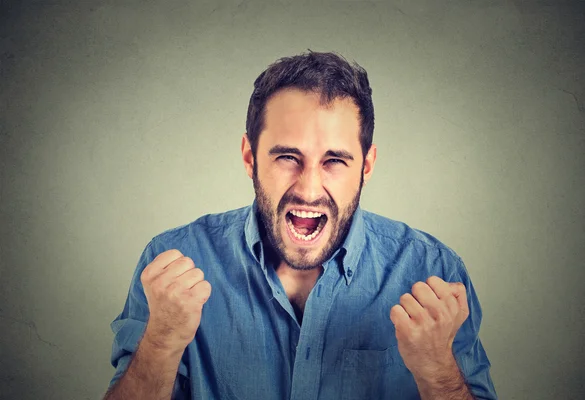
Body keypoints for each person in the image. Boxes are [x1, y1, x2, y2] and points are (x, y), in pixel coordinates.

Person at [104, 51, 497, 400]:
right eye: (288, 157)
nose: (309, 189)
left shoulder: (433, 273)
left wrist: (437, 372)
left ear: (367, 166)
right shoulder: (172, 265)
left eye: (335, 161)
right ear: (249, 157)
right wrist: (159, 345)